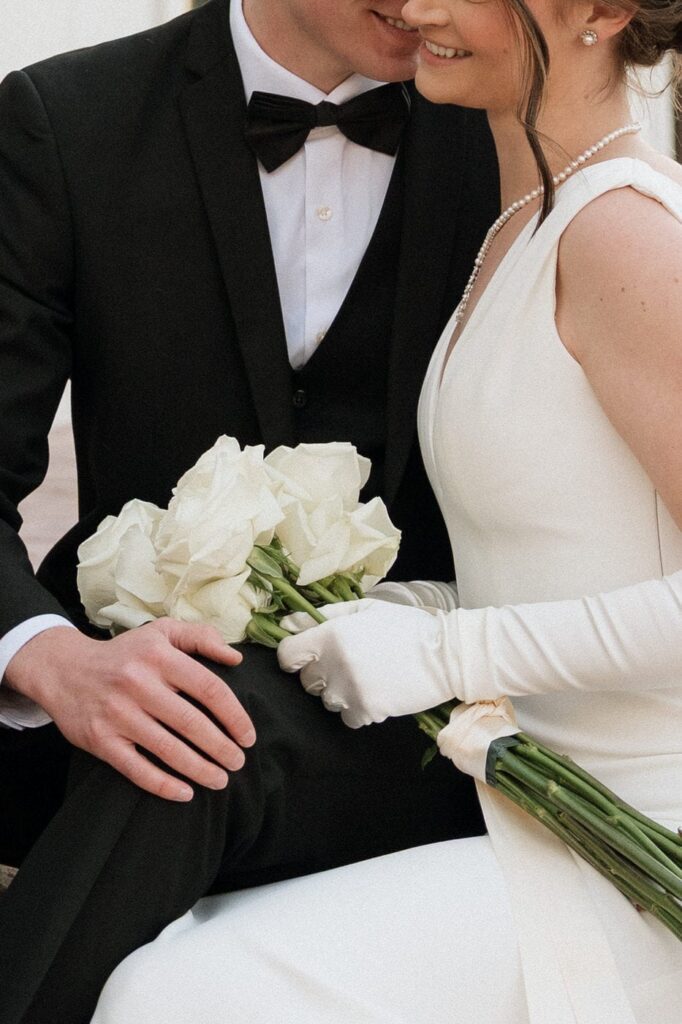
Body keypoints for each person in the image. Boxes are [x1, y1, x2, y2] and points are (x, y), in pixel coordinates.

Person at [90, 0, 682, 1021]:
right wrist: (406, 608)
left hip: (632, 842)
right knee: (172, 941)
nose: (420, 6)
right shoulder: (524, 217)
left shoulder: (625, 234)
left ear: (601, 10)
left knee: (173, 993)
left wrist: (451, 655)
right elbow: (575, 546)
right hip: (513, 796)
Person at [0, 0, 500, 1021]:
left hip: (422, 718)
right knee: (162, 730)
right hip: (127, 662)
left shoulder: (515, 130)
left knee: (184, 756)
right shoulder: (65, 119)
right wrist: (57, 661)